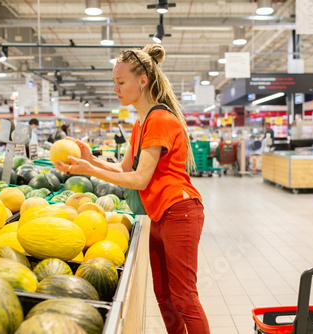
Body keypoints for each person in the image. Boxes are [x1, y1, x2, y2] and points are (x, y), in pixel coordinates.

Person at [55, 44, 210, 334]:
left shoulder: (160, 119)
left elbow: (139, 180)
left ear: (143, 80)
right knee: (165, 296)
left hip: (180, 212)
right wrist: (91, 159)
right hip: (159, 216)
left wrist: (90, 170)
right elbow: (125, 169)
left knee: (185, 297)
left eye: (121, 82)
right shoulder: (141, 122)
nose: (115, 88)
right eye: (114, 82)